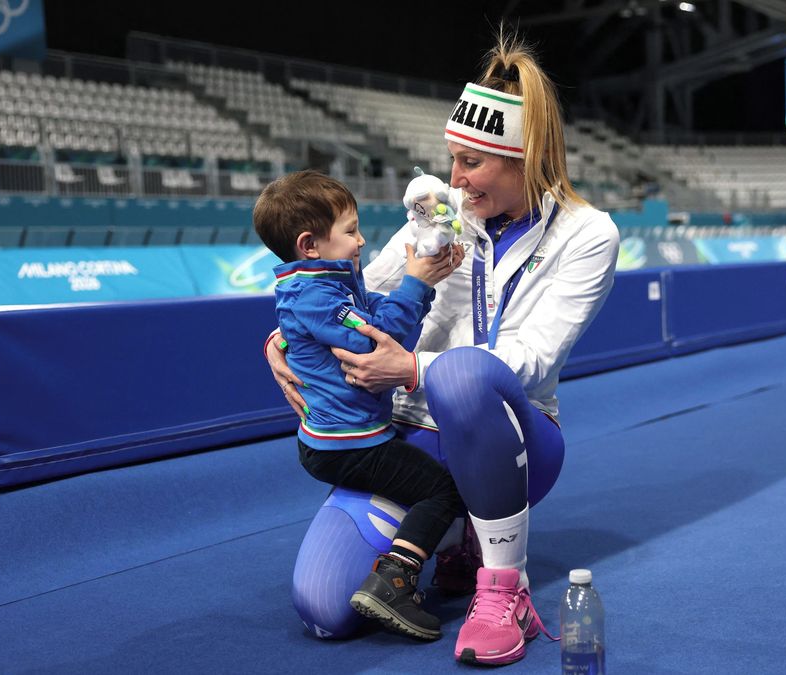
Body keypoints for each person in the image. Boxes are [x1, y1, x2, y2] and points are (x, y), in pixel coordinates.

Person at [266, 34, 620, 666]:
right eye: (452, 159)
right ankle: (456, 533)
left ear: (526, 158)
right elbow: (354, 292)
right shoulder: (440, 212)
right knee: (324, 608)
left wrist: (411, 367)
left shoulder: (588, 234)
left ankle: (500, 588)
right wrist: (282, 340)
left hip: (518, 434)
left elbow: (531, 357)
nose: (455, 179)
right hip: (409, 436)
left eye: (472, 164)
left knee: (462, 377)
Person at [252, 170, 467, 642]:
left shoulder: (323, 281)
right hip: (348, 446)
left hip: (345, 438)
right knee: (443, 492)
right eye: (350, 231)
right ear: (309, 244)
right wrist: (414, 285)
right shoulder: (317, 294)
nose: (362, 241)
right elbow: (377, 343)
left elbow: (364, 309)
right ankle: (395, 580)